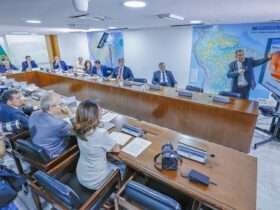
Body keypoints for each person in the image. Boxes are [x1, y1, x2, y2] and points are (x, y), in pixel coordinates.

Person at [73, 99, 125, 190]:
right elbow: (116, 149)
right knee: (123, 166)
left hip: (82, 174)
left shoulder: (78, 127)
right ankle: (117, 191)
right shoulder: (100, 133)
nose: (101, 111)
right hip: (96, 181)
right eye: (99, 110)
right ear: (93, 115)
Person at [29, 92, 72, 159]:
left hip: (36, 148)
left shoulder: (34, 114)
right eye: (60, 104)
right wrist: (70, 114)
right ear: (51, 107)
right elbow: (78, 131)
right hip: (53, 154)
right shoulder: (59, 124)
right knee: (76, 140)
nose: (62, 106)